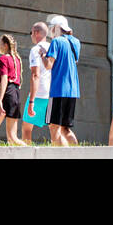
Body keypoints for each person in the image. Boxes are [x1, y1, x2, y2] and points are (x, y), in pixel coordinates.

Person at [42, 15, 80, 146]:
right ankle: (76, 154)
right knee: (65, 129)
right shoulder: (76, 42)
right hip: (73, 90)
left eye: (52, 28)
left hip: (58, 89)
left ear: (57, 28)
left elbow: (48, 65)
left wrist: (42, 55)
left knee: (54, 127)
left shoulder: (56, 42)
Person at [0, 34, 24, 146]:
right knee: (12, 138)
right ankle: (34, 152)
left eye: (0, 44)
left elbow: (5, 78)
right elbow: (12, 82)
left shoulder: (4, 58)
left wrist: (0, 100)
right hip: (15, 94)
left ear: (6, 45)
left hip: (6, 95)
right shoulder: (17, 59)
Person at [22, 19, 51, 143]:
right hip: (53, 93)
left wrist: (31, 101)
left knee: (26, 129)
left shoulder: (35, 50)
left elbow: (35, 75)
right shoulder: (53, 47)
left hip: (40, 93)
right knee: (57, 130)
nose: (31, 35)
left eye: (31, 32)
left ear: (36, 32)